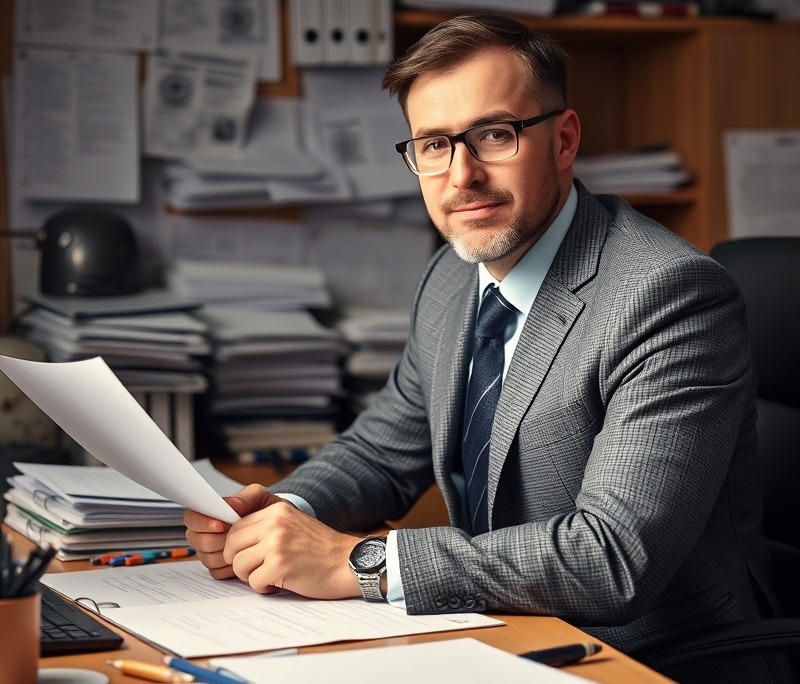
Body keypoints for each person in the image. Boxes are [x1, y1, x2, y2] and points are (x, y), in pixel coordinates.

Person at [185, 14, 787, 683]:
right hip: (502, 633)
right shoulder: (451, 277)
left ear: (563, 139)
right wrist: (282, 517)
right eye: (433, 145)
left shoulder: (667, 295)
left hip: (651, 658)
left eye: (494, 135)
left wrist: (360, 562)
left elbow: (612, 556)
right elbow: (384, 451)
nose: (460, 175)